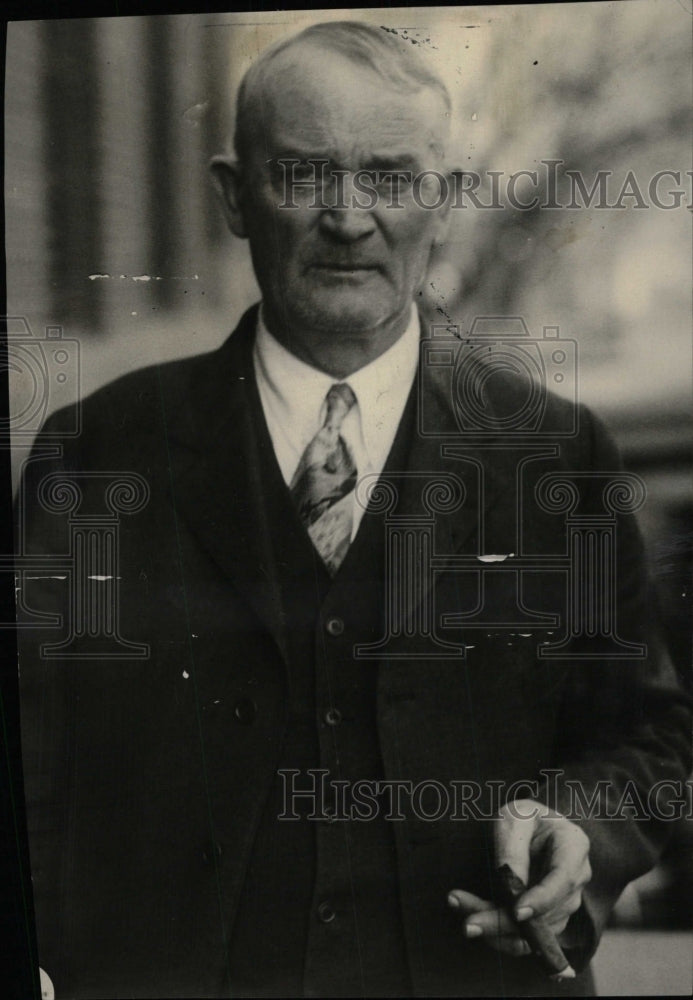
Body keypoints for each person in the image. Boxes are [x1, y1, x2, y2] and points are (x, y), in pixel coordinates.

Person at [16, 20, 691, 999]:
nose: (348, 216)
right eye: (302, 173)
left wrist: (577, 828)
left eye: (391, 176)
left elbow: (650, 735)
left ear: (447, 201)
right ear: (233, 195)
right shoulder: (98, 454)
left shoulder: (557, 454)